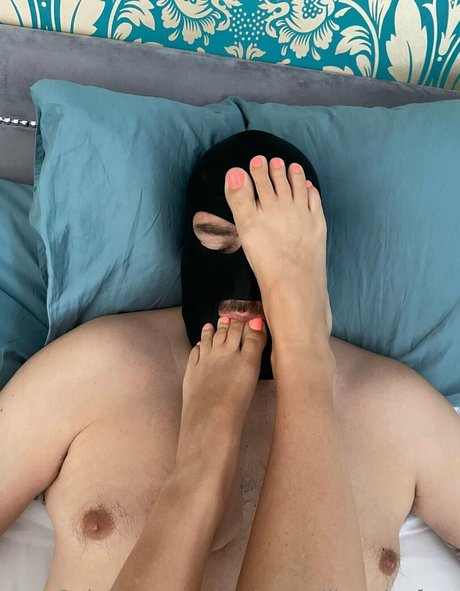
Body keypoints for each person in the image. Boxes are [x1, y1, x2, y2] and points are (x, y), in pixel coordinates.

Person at [0, 132, 459, 591]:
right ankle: (295, 372)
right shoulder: (99, 364)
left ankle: (216, 457)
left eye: (271, 252)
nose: (247, 275)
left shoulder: (396, 407)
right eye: (217, 238)